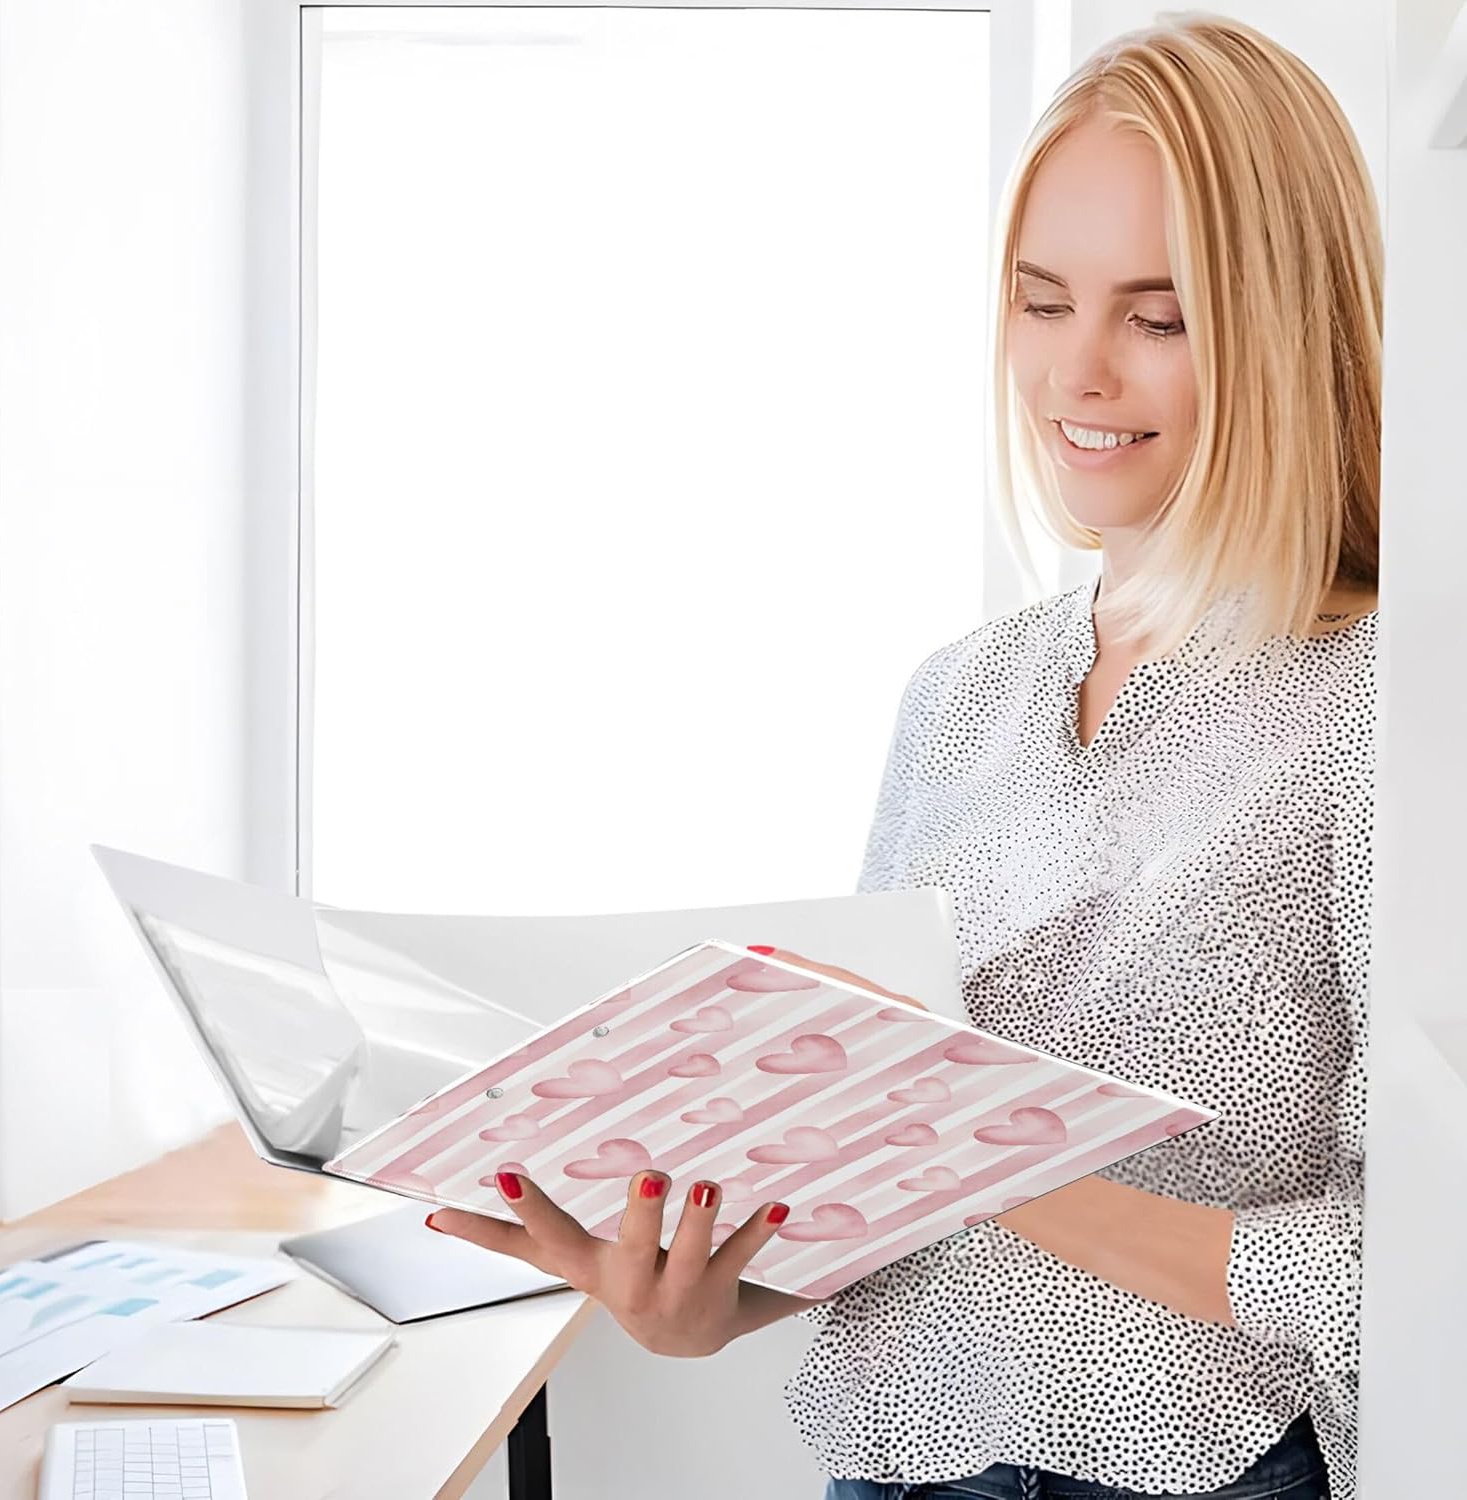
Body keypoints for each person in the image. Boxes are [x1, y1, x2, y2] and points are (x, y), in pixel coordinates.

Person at [425, 13, 1379, 1500]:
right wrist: (709, 1303)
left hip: (1192, 1477)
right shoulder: (960, 695)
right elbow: (876, 1206)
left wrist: (995, 1156)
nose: (1078, 373)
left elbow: (1404, 1271)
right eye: (1039, 300)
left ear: (1286, 323)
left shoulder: (1378, 703)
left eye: (1161, 315)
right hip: (892, 1463)